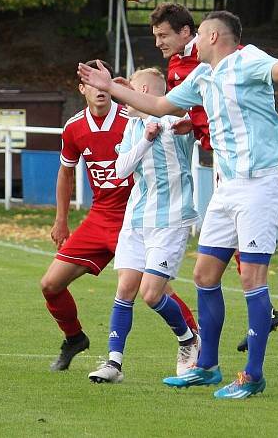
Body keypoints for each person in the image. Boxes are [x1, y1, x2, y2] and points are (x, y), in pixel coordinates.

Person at [79, 10, 278, 399]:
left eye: (198, 34)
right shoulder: (202, 76)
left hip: (259, 184)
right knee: (204, 275)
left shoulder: (247, 59)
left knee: (251, 278)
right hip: (226, 186)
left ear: (214, 36)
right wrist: (111, 88)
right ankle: (207, 367)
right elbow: (161, 105)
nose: (192, 41)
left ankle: (253, 375)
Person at [149, 2, 278, 353]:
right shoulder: (188, 68)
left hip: (255, 171)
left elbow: (271, 71)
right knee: (209, 271)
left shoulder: (226, 58)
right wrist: (193, 124)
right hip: (225, 168)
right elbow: (181, 105)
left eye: (163, 35)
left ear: (192, 34)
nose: (158, 43)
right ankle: (208, 363)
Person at [41, 59, 198, 372]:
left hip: (136, 214)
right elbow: (66, 172)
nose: (100, 90)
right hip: (100, 216)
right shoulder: (74, 127)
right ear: (83, 89)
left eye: (106, 84)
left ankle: (194, 338)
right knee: (50, 284)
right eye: (93, 85)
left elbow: (173, 115)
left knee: (154, 289)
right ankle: (74, 338)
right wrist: (61, 219)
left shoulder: (131, 117)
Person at [88, 68, 199, 384]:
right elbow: (121, 169)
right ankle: (113, 362)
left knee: (151, 294)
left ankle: (188, 340)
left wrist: (170, 128)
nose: (123, 100)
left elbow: (190, 121)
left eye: (131, 91)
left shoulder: (174, 119)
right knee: (125, 289)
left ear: (146, 91)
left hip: (171, 220)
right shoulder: (133, 127)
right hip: (137, 219)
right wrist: (146, 140)